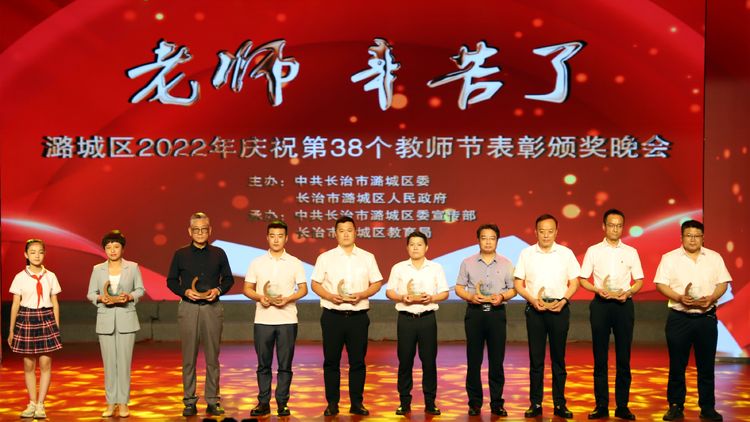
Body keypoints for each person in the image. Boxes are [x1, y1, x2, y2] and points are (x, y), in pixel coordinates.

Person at [654, 220, 730, 422]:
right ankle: (675, 406)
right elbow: (660, 284)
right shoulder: (669, 258)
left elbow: (723, 283)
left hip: (706, 318)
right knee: (677, 365)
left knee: (706, 366)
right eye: (688, 235)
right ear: (681, 237)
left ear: (703, 237)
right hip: (679, 318)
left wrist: (712, 298)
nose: (693, 239)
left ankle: (707, 407)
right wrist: (679, 297)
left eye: (697, 236)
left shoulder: (714, 257)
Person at [310, 216, 383, 416]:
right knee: (331, 362)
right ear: (335, 234)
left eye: (349, 230)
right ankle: (332, 404)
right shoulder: (325, 258)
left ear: (355, 232)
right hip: (332, 316)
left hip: (358, 316)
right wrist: (329, 296)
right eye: (341, 231)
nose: (345, 234)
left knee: (357, 362)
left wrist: (363, 294)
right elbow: (315, 283)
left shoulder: (367, 257)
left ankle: (356, 403)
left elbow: (377, 282)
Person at [166, 212, 234, 417]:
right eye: (196, 229)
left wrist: (218, 290)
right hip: (189, 308)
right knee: (189, 357)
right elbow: (171, 281)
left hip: (212, 308)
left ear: (210, 230)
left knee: (213, 357)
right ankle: (189, 401)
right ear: (190, 231)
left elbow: (228, 279)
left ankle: (213, 400)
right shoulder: (180, 254)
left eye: (204, 229)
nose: (200, 233)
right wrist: (185, 291)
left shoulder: (219, 253)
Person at [514, 214, 580, 419]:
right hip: (535, 310)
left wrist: (564, 300)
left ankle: (560, 404)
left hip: (559, 309)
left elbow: (575, 282)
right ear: (536, 232)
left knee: (559, 359)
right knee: (536, 360)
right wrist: (533, 300)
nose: (546, 235)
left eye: (550, 231)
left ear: (556, 232)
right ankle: (535, 403)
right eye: (542, 231)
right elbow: (518, 284)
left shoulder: (566, 253)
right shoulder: (526, 254)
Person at [579, 209, 643, 420]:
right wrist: (597, 289)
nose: (615, 229)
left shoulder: (631, 251)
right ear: (604, 226)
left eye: (619, 225)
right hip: (601, 305)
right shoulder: (593, 251)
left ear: (622, 227)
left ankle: (622, 406)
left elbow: (639, 280)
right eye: (611, 225)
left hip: (624, 305)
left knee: (624, 357)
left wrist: (629, 292)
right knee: (600, 357)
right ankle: (601, 405)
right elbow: (583, 279)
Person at [243, 220, 308, 417]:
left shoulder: (295, 262)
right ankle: (263, 403)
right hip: (263, 319)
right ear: (267, 238)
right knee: (263, 364)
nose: (276, 240)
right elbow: (247, 288)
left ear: (286, 238)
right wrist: (260, 297)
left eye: (280, 236)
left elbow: (303, 289)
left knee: (285, 365)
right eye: (272, 236)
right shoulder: (257, 262)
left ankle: (282, 403)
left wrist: (288, 299)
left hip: (287, 319)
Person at [454, 223, 516, 416]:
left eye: (492, 238)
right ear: (478, 240)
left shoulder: (506, 263)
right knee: (474, 361)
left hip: (497, 314)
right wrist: (470, 296)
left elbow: (513, 289)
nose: (488, 242)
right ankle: (474, 403)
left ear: (497, 240)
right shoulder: (467, 262)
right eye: (484, 238)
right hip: (475, 313)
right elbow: (459, 287)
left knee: (497, 361)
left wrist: (503, 296)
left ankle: (497, 403)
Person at [385, 231, 449, 416]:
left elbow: (444, 292)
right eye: (412, 244)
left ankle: (430, 402)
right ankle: (404, 402)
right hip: (406, 319)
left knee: (429, 362)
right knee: (405, 361)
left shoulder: (436, 267)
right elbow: (389, 291)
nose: (415, 248)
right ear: (407, 247)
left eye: (419, 244)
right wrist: (402, 297)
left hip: (427, 319)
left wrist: (432, 298)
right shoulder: (398, 268)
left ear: (426, 247)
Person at [86, 230, 146, 418]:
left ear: (122, 248)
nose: (112, 250)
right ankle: (111, 403)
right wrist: (100, 298)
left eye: (116, 246)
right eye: (108, 247)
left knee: (124, 364)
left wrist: (129, 296)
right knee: (109, 364)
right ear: (104, 249)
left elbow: (140, 289)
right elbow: (90, 293)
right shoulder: (97, 269)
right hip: (105, 320)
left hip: (126, 318)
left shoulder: (132, 267)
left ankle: (123, 403)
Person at [7, 238, 62, 419]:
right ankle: (32, 402)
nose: (37, 256)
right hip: (26, 318)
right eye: (32, 252)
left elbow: (55, 303)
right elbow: (15, 305)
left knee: (45, 364)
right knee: (28, 365)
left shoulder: (51, 276)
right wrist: (11, 330)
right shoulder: (20, 277)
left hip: (46, 318)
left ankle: (40, 404)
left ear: (44, 254)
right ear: (26, 254)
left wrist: (56, 327)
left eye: (40, 252)